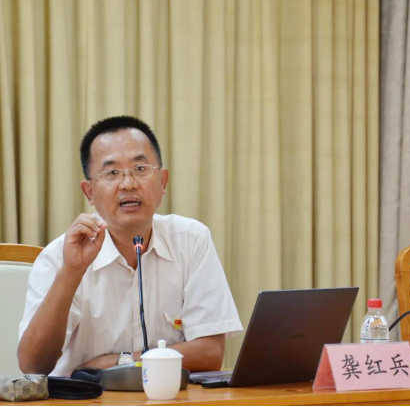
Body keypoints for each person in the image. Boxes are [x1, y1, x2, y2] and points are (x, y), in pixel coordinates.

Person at [18, 116, 242, 376]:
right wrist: (71, 271)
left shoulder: (191, 239)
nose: (128, 184)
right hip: (86, 396)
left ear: (163, 182)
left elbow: (210, 353)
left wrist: (122, 362)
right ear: (89, 192)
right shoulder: (59, 257)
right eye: (112, 173)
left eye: (140, 168)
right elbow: (33, 366)